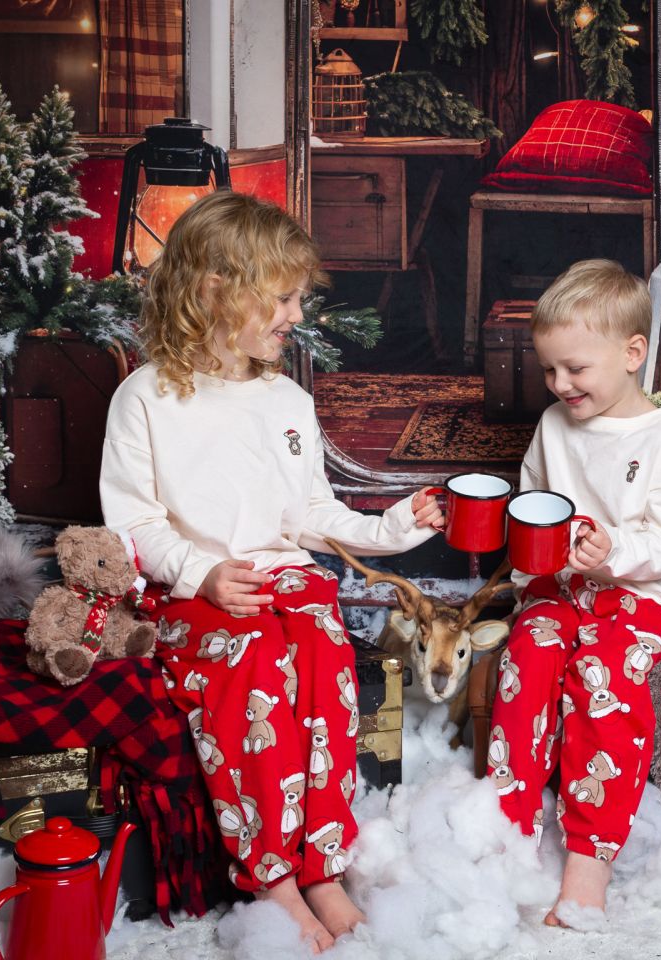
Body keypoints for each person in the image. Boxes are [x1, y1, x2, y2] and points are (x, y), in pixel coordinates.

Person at [100, 191, 443, 952]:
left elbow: (310, 511)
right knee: (254, 664)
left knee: (323, 653)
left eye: (298, 297)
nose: (297, 313)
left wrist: (391, 529)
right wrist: (203, 573)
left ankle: (322, 865)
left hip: (288, 580)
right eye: (283, 297)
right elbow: (133, 525)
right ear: (214, 290)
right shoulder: (144, 399)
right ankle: (273, 876)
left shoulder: (286, 399)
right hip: (195, 594)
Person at [487, 258, 661, 926]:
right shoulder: (554, 424)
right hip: (560, 591)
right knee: (527, 655)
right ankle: (506, 835)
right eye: (548, 369)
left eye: (575, 369)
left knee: (604, 673)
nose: (560, 384)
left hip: (641, 598)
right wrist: (533, 571)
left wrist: (614, 551)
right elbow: (532, 501)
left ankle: (590, 860)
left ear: (632, 354)